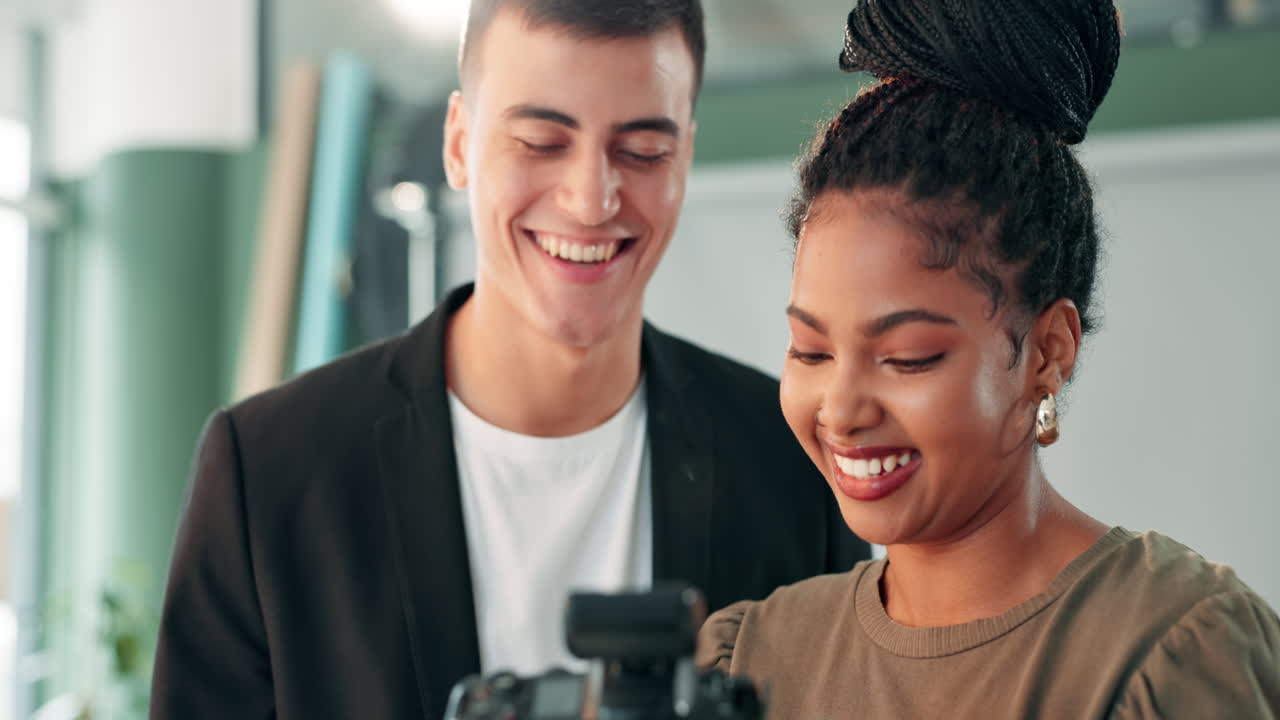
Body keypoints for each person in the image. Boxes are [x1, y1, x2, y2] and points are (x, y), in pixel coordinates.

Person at [149, 1, 868, 719]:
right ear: (459, 145)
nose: (591, 199)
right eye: (541, 141)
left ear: (684, 153)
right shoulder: (269, 475)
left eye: (643, 150)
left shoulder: (789, 465)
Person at [696, 0, 1280, 717]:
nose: (842, 410)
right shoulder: (752, 656)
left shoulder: (1168, 649)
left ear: (1047, 352)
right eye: (811, 350)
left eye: (907, 358)